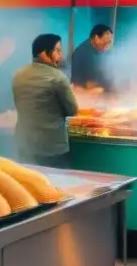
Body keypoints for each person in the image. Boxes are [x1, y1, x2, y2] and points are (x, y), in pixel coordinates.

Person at [12, 33, 79, 168]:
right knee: (57, 185)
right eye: (57, 51)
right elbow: (72, 110)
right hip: (52, 147)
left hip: (24, 144)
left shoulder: (18, 75)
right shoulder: (58, 78)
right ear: (43, 52)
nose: (60, 56)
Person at [70, 24, 115, 92]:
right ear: (96, 38)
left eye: (109, 43)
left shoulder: (99, 50)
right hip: (85, 94)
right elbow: (77, 83)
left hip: (98, 90)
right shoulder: (80, 53)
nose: (107, 46)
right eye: (105, 43)